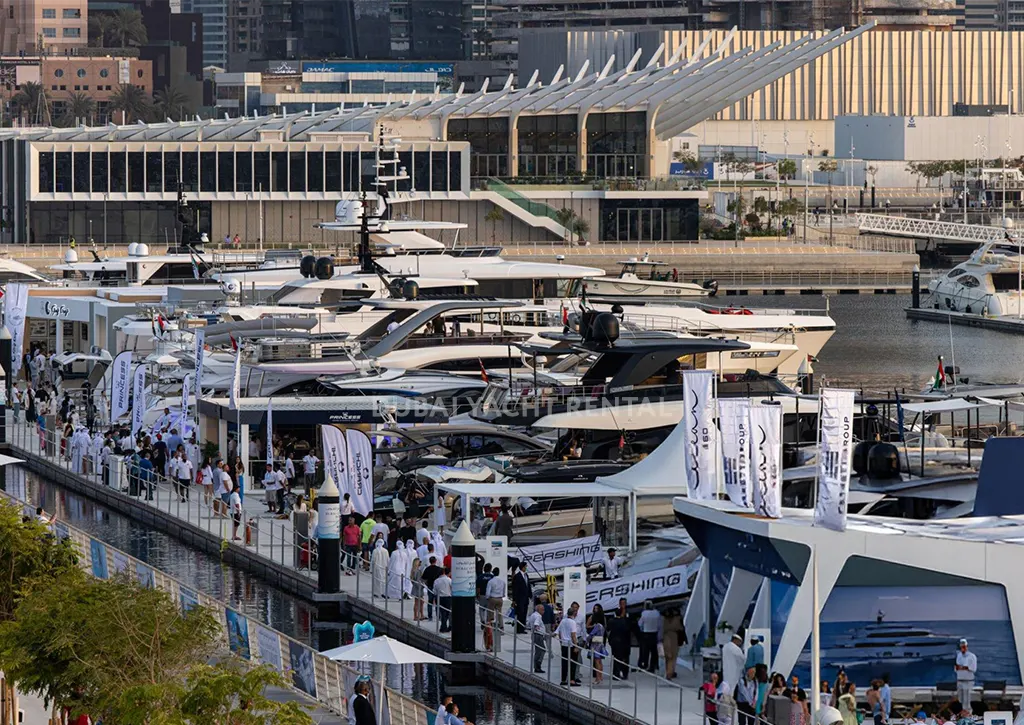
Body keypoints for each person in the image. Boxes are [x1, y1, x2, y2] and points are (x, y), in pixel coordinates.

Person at [607, 597, 633, 681]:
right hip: (617, 639)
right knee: (617, 657)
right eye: (621, 603)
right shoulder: (616, 615)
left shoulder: (629, 612)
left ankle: (625, 673)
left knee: (626, 657)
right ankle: (616, 673)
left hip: (626, 639)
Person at [556, 602, 581, 686]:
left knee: (564, 662)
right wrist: (576, 645)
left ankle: (563, 679)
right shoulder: (572, 622)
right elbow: (573, 635)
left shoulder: (563, 621)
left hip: (564, 644)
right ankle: (572, 680)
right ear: (573, 613)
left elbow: (559, 632)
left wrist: (561, 640)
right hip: (571, 644)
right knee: (573, 662)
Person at [485, 565, 507, 651]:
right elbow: (504, 591)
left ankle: (490, 630)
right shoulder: (502, 581)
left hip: (492, 598)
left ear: (492, 573)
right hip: (500, 599)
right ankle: (501, 628)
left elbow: (488, 592)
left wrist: (488, 598)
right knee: (499, 614)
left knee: (490, 614)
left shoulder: (491, 581)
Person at [637, 600, 661, 673]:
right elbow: (659, 624)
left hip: (646, 633)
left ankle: (644, 664)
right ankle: (653, 666)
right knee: (654, 651)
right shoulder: (657, 613)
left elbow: (640, 623)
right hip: (654, 633)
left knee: (645, 651)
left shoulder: (644, 613)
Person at [587, 604, 607, 684]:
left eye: (597, 608)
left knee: (597, 660)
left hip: (596, 642)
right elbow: (587, 625)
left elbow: (590, 633)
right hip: (600, 641)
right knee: (599, 661)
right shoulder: (593, 617)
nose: (595, 610)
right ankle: (600, 676)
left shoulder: (599, 623)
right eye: (594, 608)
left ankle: (598, 678)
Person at [955, 639, 976, 714]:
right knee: (960, 699)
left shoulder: (972, 656)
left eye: (964, 647)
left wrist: (963, 667)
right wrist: (962, 667)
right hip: (960, 680)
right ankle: (962, 713)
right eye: (961, 647)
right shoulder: (959, 655)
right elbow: (957, 666)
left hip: (968, 681)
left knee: (967, 700)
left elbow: (973, 668)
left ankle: (969, 714)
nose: (963, 649)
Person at [662, 606, 683, 680]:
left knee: (667, 656)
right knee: (673, 657)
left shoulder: (664, 620)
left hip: (666, 637)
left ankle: (668, 670)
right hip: (674, 638)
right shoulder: (677, 619)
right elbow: (680, 628)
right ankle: (670, 673)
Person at [723, 632, 745, 697]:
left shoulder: (725, 646)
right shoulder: (736, 649)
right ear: (735, 640)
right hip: (734, 672)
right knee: (732, 688)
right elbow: (742, 660)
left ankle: (724, 701)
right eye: (740, 642)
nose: (740, 644)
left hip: (726, 670)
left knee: (725, 687)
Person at [421, 556, 443, 621]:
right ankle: (438, 616)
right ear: (435, 561)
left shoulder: (427, 569)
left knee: (430, 602)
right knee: (437, 602)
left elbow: (423, 578)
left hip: (430, 586)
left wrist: (426, 584)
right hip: (437, 587)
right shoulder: (439, 569)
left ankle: (430, 616)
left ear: (429, 561)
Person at [511, 561, 531, 633]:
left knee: (524, 613)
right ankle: (518, 629)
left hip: (525, 598)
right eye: (525, 566)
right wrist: (514, 599)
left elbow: (528, 586)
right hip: (519, 599)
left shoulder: (526, 575)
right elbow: (515, 589)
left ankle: (522, 628)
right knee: (520, 613)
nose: (526, 568)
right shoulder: (517, 576)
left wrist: (530, 595)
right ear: (522, 567)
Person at [527, 602, 547, 673]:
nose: (544, 611)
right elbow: (536, 624)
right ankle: (538, 665)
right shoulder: (538, 616)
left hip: (534, 634)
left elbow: (528, 624)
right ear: (539, 610)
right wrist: (538, 630)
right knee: (542, 650)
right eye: (543, 610)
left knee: (538, 651)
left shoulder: (533, 615)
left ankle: (536, 666)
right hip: (538, 635)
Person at [434, 567, 452, 633]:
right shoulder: (449, 580)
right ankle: (444, 626)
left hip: (439, 598)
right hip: (448, 598)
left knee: (442, 613)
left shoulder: (436, 580)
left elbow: (434, 591)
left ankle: (443, 626)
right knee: (447, 613)